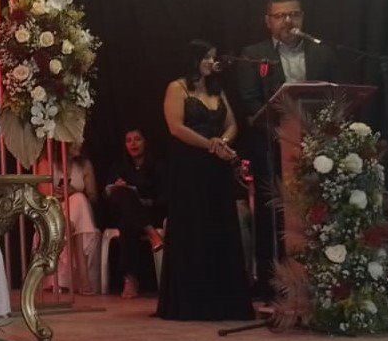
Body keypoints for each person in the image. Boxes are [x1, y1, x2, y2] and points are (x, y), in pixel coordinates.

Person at [236, 0, 340, 300]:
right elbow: (251, 104)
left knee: (321, 211)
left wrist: (320, 133)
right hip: (272, 149)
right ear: (268, 21)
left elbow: (336, 97)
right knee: (272, 215)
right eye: (280, 15)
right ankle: (272, 283)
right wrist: (285, 135)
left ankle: (325, 279)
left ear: (302, 17)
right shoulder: (253, 55)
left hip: (319, 148)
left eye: (293, 14)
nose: (287, 21)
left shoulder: (323, 53)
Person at [156, 40, 254, 321]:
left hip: (216, 168)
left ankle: (223, 300)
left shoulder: (216, 90)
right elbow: (176, 127)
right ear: (193, 59)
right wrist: (210, 145)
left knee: (219, 227)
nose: (212, 62)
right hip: (189, 167)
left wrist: (222, 142)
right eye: (206, 57)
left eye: (213, 57)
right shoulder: (177, 88)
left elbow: (232, 124)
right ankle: (192, 301)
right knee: (193, 227)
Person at [98, 128, 166, 298]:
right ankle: (152, 233)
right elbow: (106, 195)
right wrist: (116, 188)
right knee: (122, 193)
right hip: (122, 213)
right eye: (128, 140)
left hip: (150, 212)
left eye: (137, 139)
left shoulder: (158, 166)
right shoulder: (119, 166)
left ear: (145, 142)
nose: (133, 144)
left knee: (127, 222)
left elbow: (165, 197)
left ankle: (130, 279)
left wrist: (144, 202)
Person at [35, 142, 99, 295]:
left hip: (78, 211)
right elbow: (43, 195)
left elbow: (93, 197)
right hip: (54, 209)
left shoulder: (84, 165)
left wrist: (72, 191)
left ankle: (65, 229)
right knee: (79, 204)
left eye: (80, 140)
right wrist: (58, 193)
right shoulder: (46, 162)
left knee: (80, 199)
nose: (79, 144)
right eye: (74, 140)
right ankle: (84, 279)